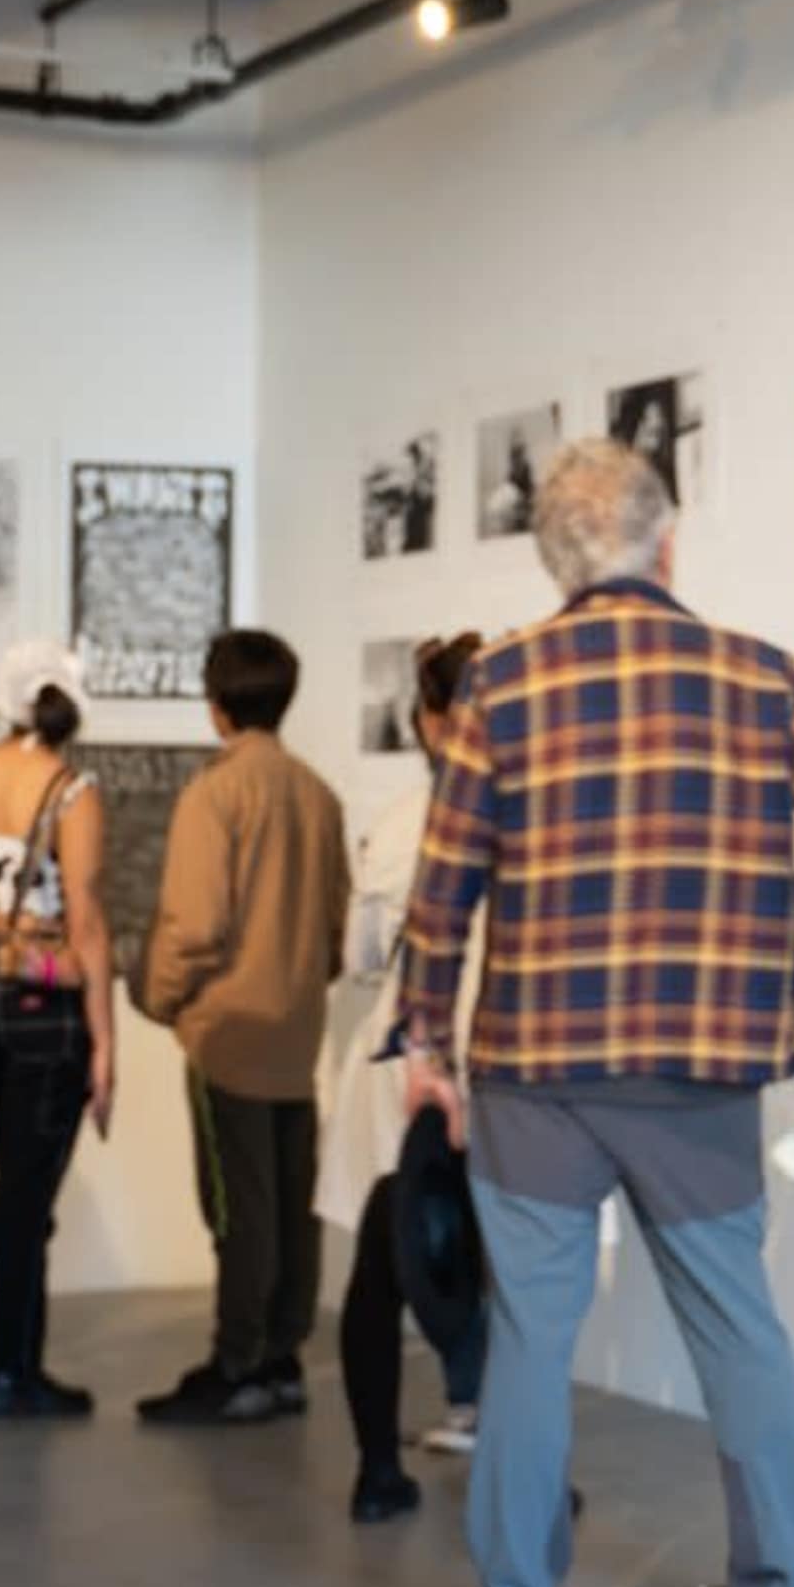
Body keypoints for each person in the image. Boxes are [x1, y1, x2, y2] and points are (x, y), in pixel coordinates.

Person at [403, 438, 794, 1587]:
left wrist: (428, 1042)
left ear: (554, 559)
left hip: (538, 1066)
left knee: (530, 1337)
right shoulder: (755, 677)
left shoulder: (503, 684)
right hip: (701, 1066)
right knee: (738, 1323)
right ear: (668, 542)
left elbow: (444, 890)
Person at [133, 629, 351, 1426]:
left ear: (217, 705)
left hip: (227, 1034)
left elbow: (193, 926)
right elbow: (336, 929)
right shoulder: (317, 795)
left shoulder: (215, 794)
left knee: (236, 1207)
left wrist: (158, 997)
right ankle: (282, 1358)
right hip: (296, 1033)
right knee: (291, 1202)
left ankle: (236, 1364)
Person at [0, 637, 116, 1423]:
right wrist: (105, 1043)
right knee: (24, 1193)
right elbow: (88, 923)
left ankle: (15, 1361)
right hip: (41, 992)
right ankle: (9, 1370)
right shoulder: (71, 791)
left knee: (17, 1183)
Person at [325, 633, 490, 1518]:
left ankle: (376, 1472)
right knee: (517, 1271)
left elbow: (359, 955)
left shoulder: (397, 823)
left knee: (378, 1273)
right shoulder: (530, 814)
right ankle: (522, 1466)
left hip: (399, 1055)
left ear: (427, 720)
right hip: (496, 1059)